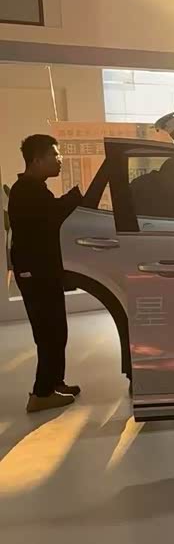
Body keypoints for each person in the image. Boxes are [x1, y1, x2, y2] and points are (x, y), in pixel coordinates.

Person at [8, 134, 83, 413]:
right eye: (55, 155)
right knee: (48, 331)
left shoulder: (35, 188)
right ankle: (41, 394)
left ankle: (54, 383)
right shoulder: (27, 191)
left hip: (44, 270)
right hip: (34, 272)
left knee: (57, 330)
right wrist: (76, 197)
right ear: (37, 160)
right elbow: (53, 216)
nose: (59, 160)